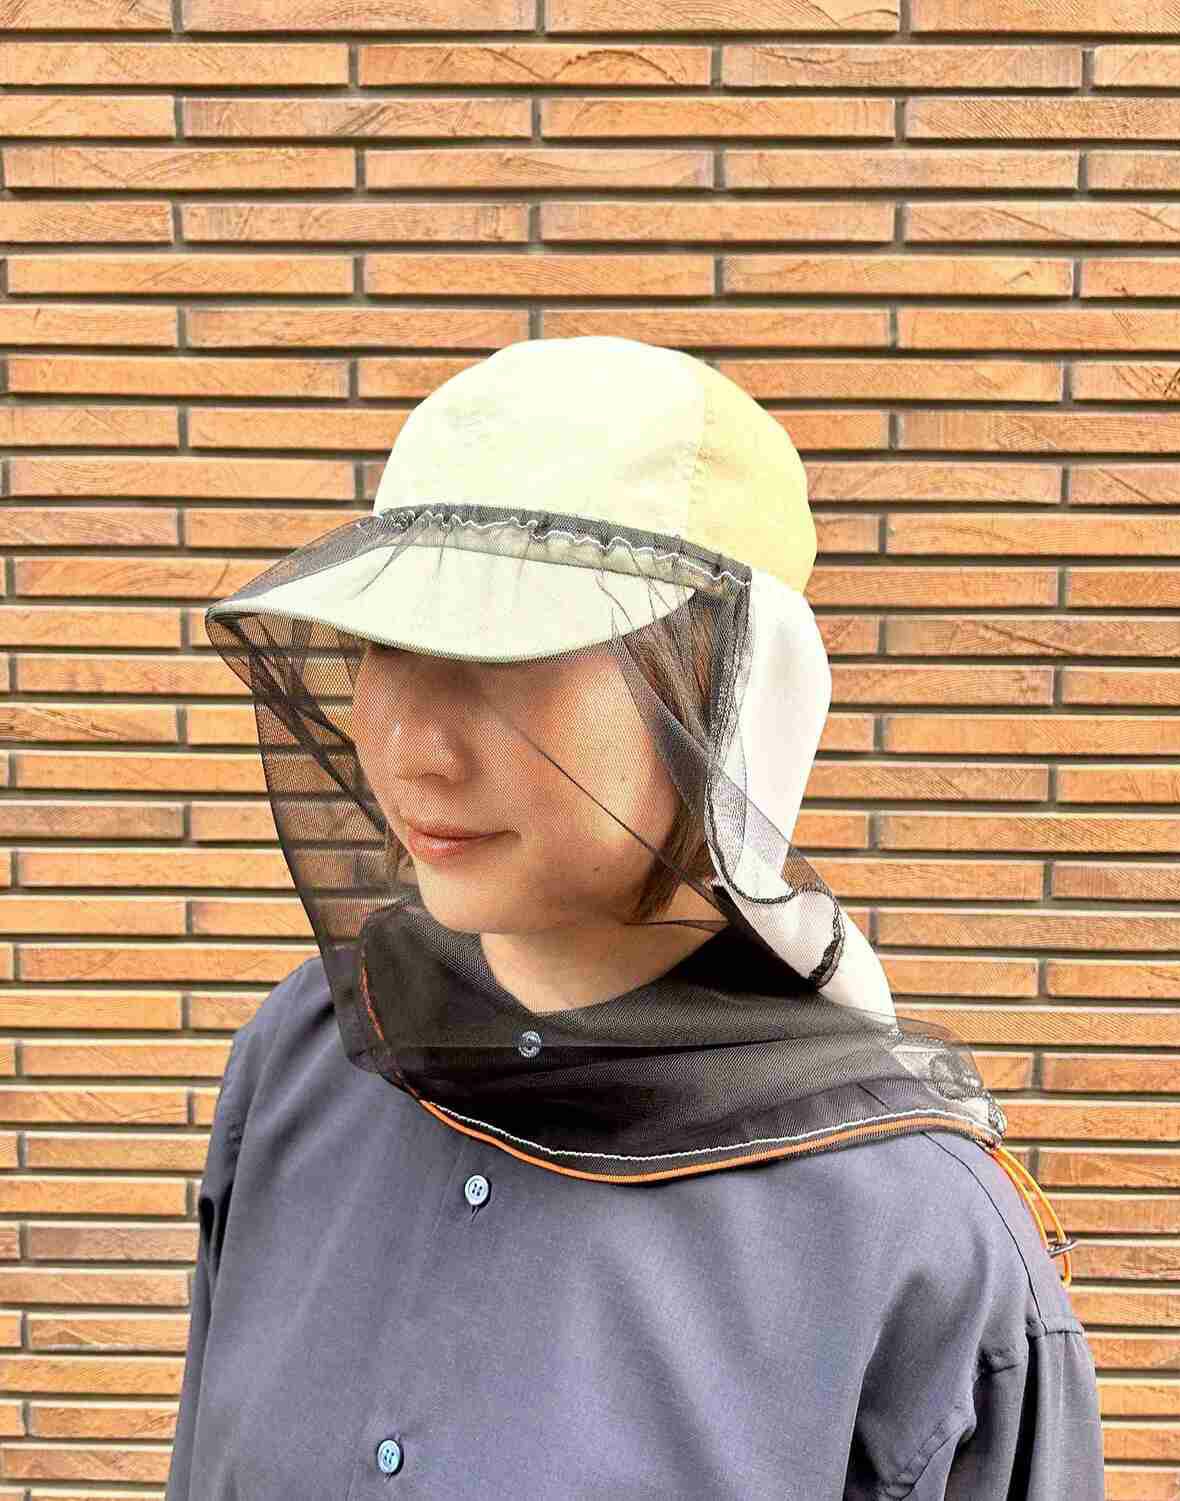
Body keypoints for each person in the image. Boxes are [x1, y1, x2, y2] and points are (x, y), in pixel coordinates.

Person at [167, 334, 1105, 1499]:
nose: (411, 747)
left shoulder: (915, 1233)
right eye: (383, 646)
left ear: (725, 692)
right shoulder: (304, 1057)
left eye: (507, 653)